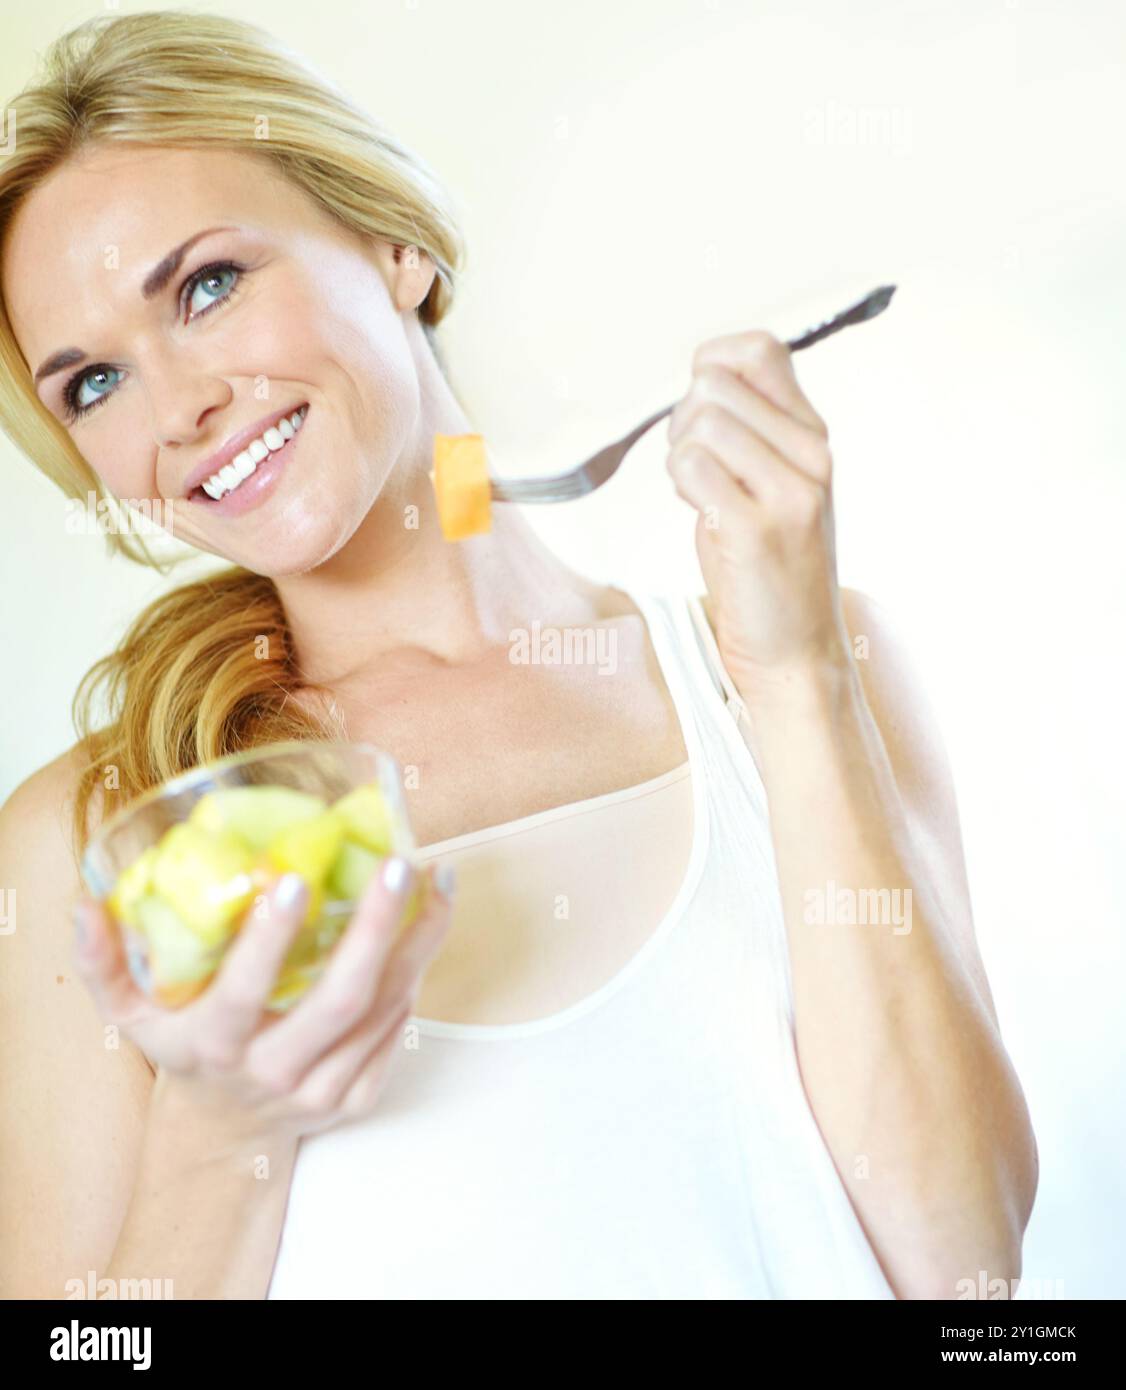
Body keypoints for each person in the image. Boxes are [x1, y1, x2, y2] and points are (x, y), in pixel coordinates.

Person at [0, 11, 1037, 1301]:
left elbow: (969, 1271)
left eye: (207, 286)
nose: (176, 408)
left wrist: (796, 675)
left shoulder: (817, 668)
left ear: (397, 249)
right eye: (93, 383)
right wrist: (224, 1134)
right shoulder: (101, 835)